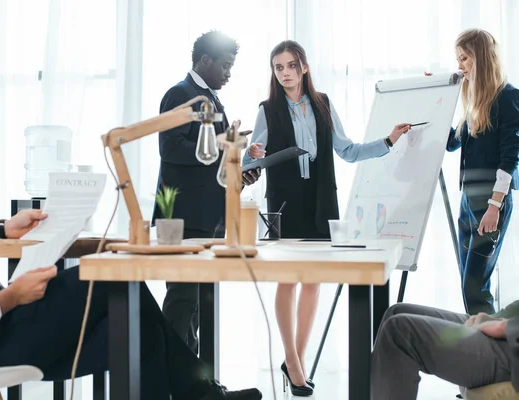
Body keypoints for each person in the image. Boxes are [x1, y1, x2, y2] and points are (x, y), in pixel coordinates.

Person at [0, 103, 262, 400]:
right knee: (113, 277)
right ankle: (202, 394)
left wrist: (4, 227)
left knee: (142, 334)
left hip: (0, 324)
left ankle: (201, 394)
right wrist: (13, 295)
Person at [242, 40, 411, 396]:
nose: (285, 73)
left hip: (320, 202)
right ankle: (292, 360)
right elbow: (253, 162)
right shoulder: (267, 109)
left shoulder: (323, 105)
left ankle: (294, 363)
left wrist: (389, 141)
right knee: (287, 280)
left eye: (291, 65)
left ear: (304, 67)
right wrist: (251, 153)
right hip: (285, 203)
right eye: (278, 67)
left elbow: (347, 151)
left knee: (314, 281)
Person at [154, 30, 259, 354]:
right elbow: (170, 148)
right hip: (185, 217)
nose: (229, 74)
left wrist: (239, 168)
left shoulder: (212, 100)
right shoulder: (180, 94)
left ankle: (193, 382)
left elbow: (210, 159)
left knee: (196, 305)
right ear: (204, 61)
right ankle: (169, 377)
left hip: (208, 215)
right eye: (225, 66)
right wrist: (219, 145)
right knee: (183, 300)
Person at [444, 29, 519, 315]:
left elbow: (510, 157)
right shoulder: (474, 103)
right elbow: (452, 143)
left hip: (490, 202)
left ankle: (492, 354)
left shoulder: (509, 97)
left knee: (474, 286)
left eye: (464, 58)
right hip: (468, 201)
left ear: (481, 58)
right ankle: (481, 350)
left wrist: (494, 205)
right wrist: (438, 97)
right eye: (458, 59)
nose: (460, 65)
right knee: (469, 282)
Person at [371, 301, 519, 399]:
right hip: (512, 324)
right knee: (396, 311)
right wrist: (498, 318)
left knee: (400, 332)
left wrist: (504, 327)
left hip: (513, 347)